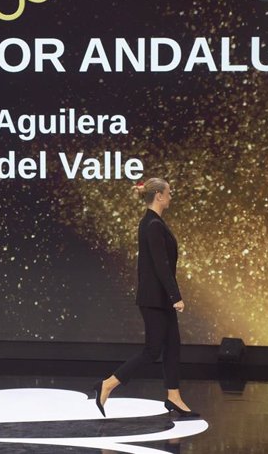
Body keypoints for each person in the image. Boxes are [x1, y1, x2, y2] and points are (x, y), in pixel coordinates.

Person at [93, 178, 199, 418]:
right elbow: (161, 265)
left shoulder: (155, 223)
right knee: (152, 350)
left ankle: (174, 396)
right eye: (169, 193)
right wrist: (176, 296)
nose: (171, 196)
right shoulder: (152, 225)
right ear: (159, 196)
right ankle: (108, 384)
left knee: (172, 346)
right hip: (154, 299)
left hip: (160, 298)